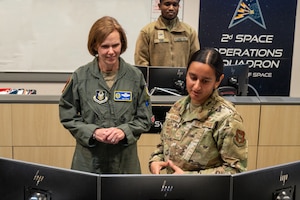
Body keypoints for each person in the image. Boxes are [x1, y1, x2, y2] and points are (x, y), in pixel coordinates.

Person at [59, 16, 153, 174]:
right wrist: (93, 132)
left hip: (124, 162)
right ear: (95, 46)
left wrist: (125, 131)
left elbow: (145, 117)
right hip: (89, 162)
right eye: (105, 46)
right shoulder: (80, 76)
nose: (111, 52)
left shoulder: (135, 77)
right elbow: (68, 116)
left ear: (122, 44)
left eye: (115, 45)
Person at [149, 48, 248, 174]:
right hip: (172, 189)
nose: (196, 86)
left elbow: (236, 170)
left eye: (205, 81)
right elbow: (164, 147)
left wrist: (188, 178)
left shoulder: (227, 118)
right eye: (193, 77)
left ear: (218, 81)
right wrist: (155, 160)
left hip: (204, 192)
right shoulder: (178, 107)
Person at [134, 0, 200, 67]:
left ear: (178, 6)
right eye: (167, 4)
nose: (171, 8)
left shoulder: (189, 32)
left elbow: (196, 60)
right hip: (156, 77)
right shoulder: (147, 32)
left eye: (175, 5)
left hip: (182, 76)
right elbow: (141, 61)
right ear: (159, 6)